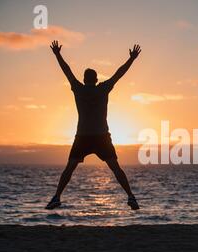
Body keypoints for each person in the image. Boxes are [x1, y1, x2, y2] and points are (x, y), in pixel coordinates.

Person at [46, 40, 141, 210]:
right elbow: (119, 73)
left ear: (84, 79)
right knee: (115, 168)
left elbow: (66, 70)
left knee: (69, 169)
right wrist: (132, 59)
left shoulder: (78, 88)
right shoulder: (103, 88)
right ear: (96, 80)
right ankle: (131, 196)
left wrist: (57, 54)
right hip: (101, 136)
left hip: (82, 136)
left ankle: (57, 197)